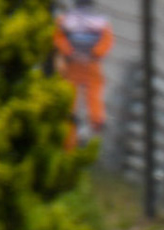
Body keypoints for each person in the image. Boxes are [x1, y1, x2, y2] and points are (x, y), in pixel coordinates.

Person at [55, 0, 114, 146]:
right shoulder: (100, 21)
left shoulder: (65, 19)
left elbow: (58, 37)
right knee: (83, 96)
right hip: (84, 64)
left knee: (87, 95)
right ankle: (83, 129)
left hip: (78, 64)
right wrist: (94, 53)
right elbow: (107, 40)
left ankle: (90, 125)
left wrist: (70, 52)